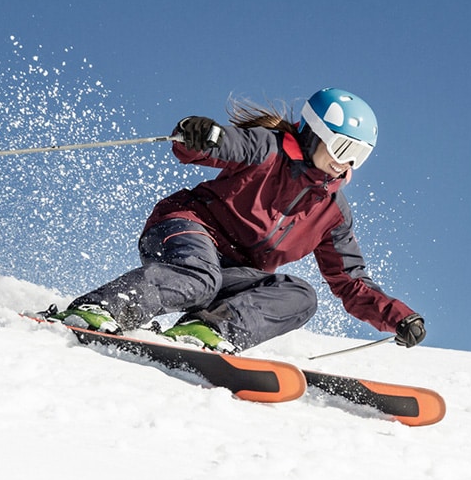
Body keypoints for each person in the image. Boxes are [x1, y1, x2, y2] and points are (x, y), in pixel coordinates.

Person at [51, 87, 426, 353]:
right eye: (344, 148)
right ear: (315, 135)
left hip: (229, 273)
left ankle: (206, 329)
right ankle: (102, 307)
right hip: (186, 229)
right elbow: (218, 145)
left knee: (300, 296)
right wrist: (201, 135)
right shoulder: (267, 148)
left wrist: (397, 317)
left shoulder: (332, 213)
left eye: (360, 155)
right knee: (199, 277)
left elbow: (351, 282)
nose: (347, 163)